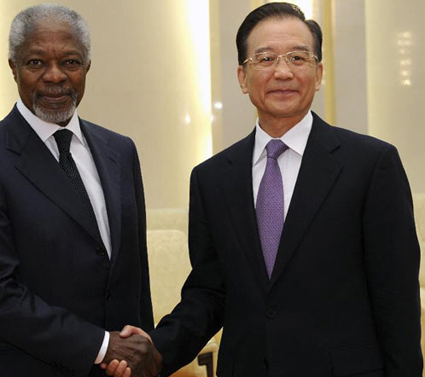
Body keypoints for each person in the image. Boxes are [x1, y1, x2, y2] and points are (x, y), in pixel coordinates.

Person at [105, 2, 422, 377]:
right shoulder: (211, 178)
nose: (283, 71)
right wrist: (155, 351)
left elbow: (396, 300)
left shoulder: (371, 165)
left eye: (298, 58)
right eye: (266, 58)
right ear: (242, 77)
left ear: (318, 73)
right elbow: (210, 291)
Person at [0, 4, 161, 377]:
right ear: (13, 67)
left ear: (88, 66)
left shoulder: (120, 151)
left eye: (71, 62)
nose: (55, 76)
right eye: (35, 63)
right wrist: (102, 345)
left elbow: (134, 277)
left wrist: (141, 352)